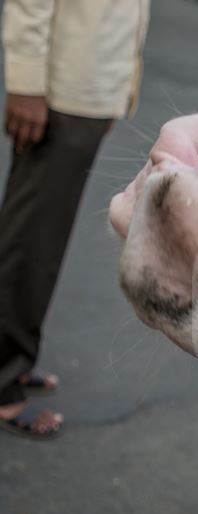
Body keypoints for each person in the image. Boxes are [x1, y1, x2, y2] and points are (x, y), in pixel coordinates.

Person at [0, 1, 150, 439]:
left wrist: (116, 90)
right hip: (60, 92)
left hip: (88, 89)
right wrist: (26, 83)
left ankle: (13, 356)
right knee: (29, 241)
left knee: (41, 241)